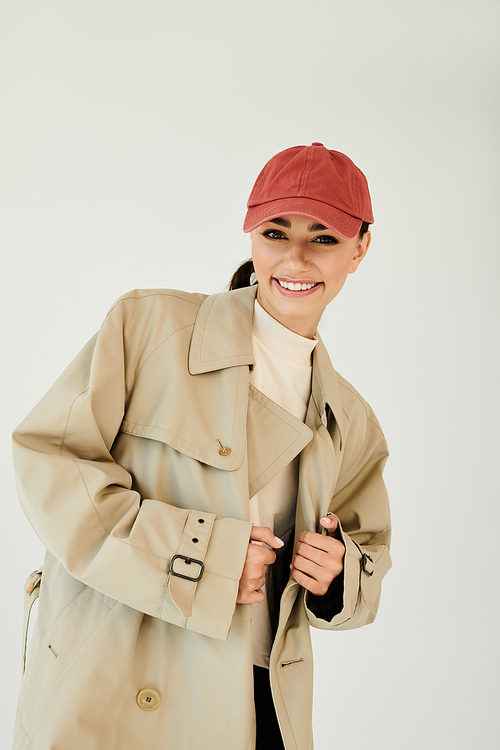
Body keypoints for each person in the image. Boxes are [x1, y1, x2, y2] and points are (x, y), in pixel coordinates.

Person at [12, 142, 391, 750]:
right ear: (250, 237)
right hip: (123, 674)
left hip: (257, 699)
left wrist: (338, 575)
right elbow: (50, 461)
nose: (294, 257)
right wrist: (203, 561)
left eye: (322, 237)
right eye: (275, 232)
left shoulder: (349, 417)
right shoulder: (149, 329)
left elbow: (368, 553)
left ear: (360, 248)